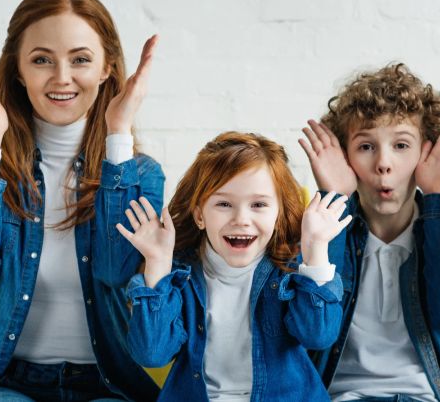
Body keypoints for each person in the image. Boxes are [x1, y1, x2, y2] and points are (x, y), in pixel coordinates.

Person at [0, 0, 163, 401]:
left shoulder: (139, 174)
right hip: (7, 383)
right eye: (42, 60)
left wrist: (119, 135)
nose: (62, 77)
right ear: (19, 71)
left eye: (80, 59)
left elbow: (117, 270)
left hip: (106, 384)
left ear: (106, 69)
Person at [121, 132, 351, 401]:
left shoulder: (291, 269)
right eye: (224, 204)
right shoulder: (178, 273)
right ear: (199, 215)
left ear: (278, 215)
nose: (241, 219)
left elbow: (319, 337)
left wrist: (315, 251)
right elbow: (151, 353)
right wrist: (158, 264)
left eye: (258, 204)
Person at [301, 63, 440, 402]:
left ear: (425, 153)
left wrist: (439, 198)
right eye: (366, 147)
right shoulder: (316, 235)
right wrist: (334, 198)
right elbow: (315, 332)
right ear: (344, 157)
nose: (383, 163)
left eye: (401, 146)